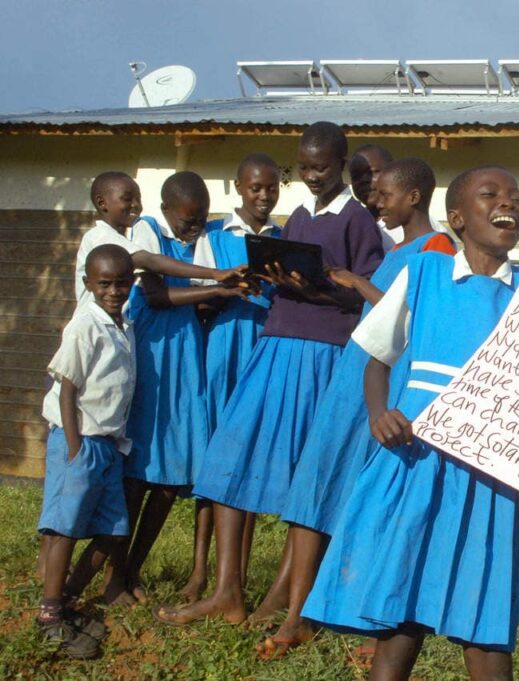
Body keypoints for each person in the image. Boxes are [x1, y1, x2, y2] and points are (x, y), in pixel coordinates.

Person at [301, 164, 519, 681]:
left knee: (485, 624)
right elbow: (377, 360)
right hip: (417, 466)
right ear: (457, 218)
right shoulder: (425, 274)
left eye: (516, 196)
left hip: (490, 482)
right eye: (491, 194)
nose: (508, 203)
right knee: (400, 617)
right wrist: (378, 413)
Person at [154, 121, 384, 626]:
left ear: (340, 164)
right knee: (228, 455)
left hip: (320, 352)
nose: (312, 176)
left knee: (304, 476)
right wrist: (275, 277)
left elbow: (367, 297)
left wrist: (318, 287)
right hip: (275, 342)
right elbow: (292, 281)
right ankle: (227, 593)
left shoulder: (357, 221)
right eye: (303, 168)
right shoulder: (297, 216)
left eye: (321, 168)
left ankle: (284, 598)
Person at [254, 157, 457, 658]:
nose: (376, 203)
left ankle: (369, 624)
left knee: (372, 501)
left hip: (389, 387)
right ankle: (300, 615)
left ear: (413, 197)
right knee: (314, 488)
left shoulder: (437, 249)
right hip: (352, 379)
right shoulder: (397, 248)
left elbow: (419, 317)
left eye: (385, 195)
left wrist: (357, 284)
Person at [106, 171, 249, 606]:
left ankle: (133, 569)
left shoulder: (203, 240)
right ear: (167, 209)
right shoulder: (147, 230)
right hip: (153, 354)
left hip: (186, 355)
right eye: (188, 220)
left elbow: (197, 297)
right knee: (138, 472)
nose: (194, 227)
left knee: (175, 470)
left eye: (201, 219)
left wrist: (225, 291)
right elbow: (155, 294)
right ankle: (114, 574)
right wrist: (217, 284)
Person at [178, 153, 282, 604]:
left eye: (271, 188)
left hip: (264, 346)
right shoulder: (215, 235)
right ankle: (200, 571)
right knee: (216, 459)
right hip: (225, 343)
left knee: (250, 459)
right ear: (238, 187)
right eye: (255, 187)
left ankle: (234, 577)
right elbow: (199, 298)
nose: (263, 196)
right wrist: (228, 289)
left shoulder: (281, 239)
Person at [37, 244, 136, 658]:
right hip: (79, 439)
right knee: (65, 527)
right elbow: (68, 388)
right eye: (104, 284)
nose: (114, 291)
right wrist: (75, 448)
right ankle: (49, 616)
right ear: (88, 284)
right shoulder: (84, 325)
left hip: (108, 444)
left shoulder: (124, 324)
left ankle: (68, 600)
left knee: (112, 530)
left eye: (122, 283)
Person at [74, 171, 246, 309]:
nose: (136, 205)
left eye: (138, 199)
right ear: (102, 203)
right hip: (96, 325)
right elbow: (150, 262)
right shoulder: (100, 236)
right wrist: (215, 274)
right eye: (127, 199)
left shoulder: (124, 238)